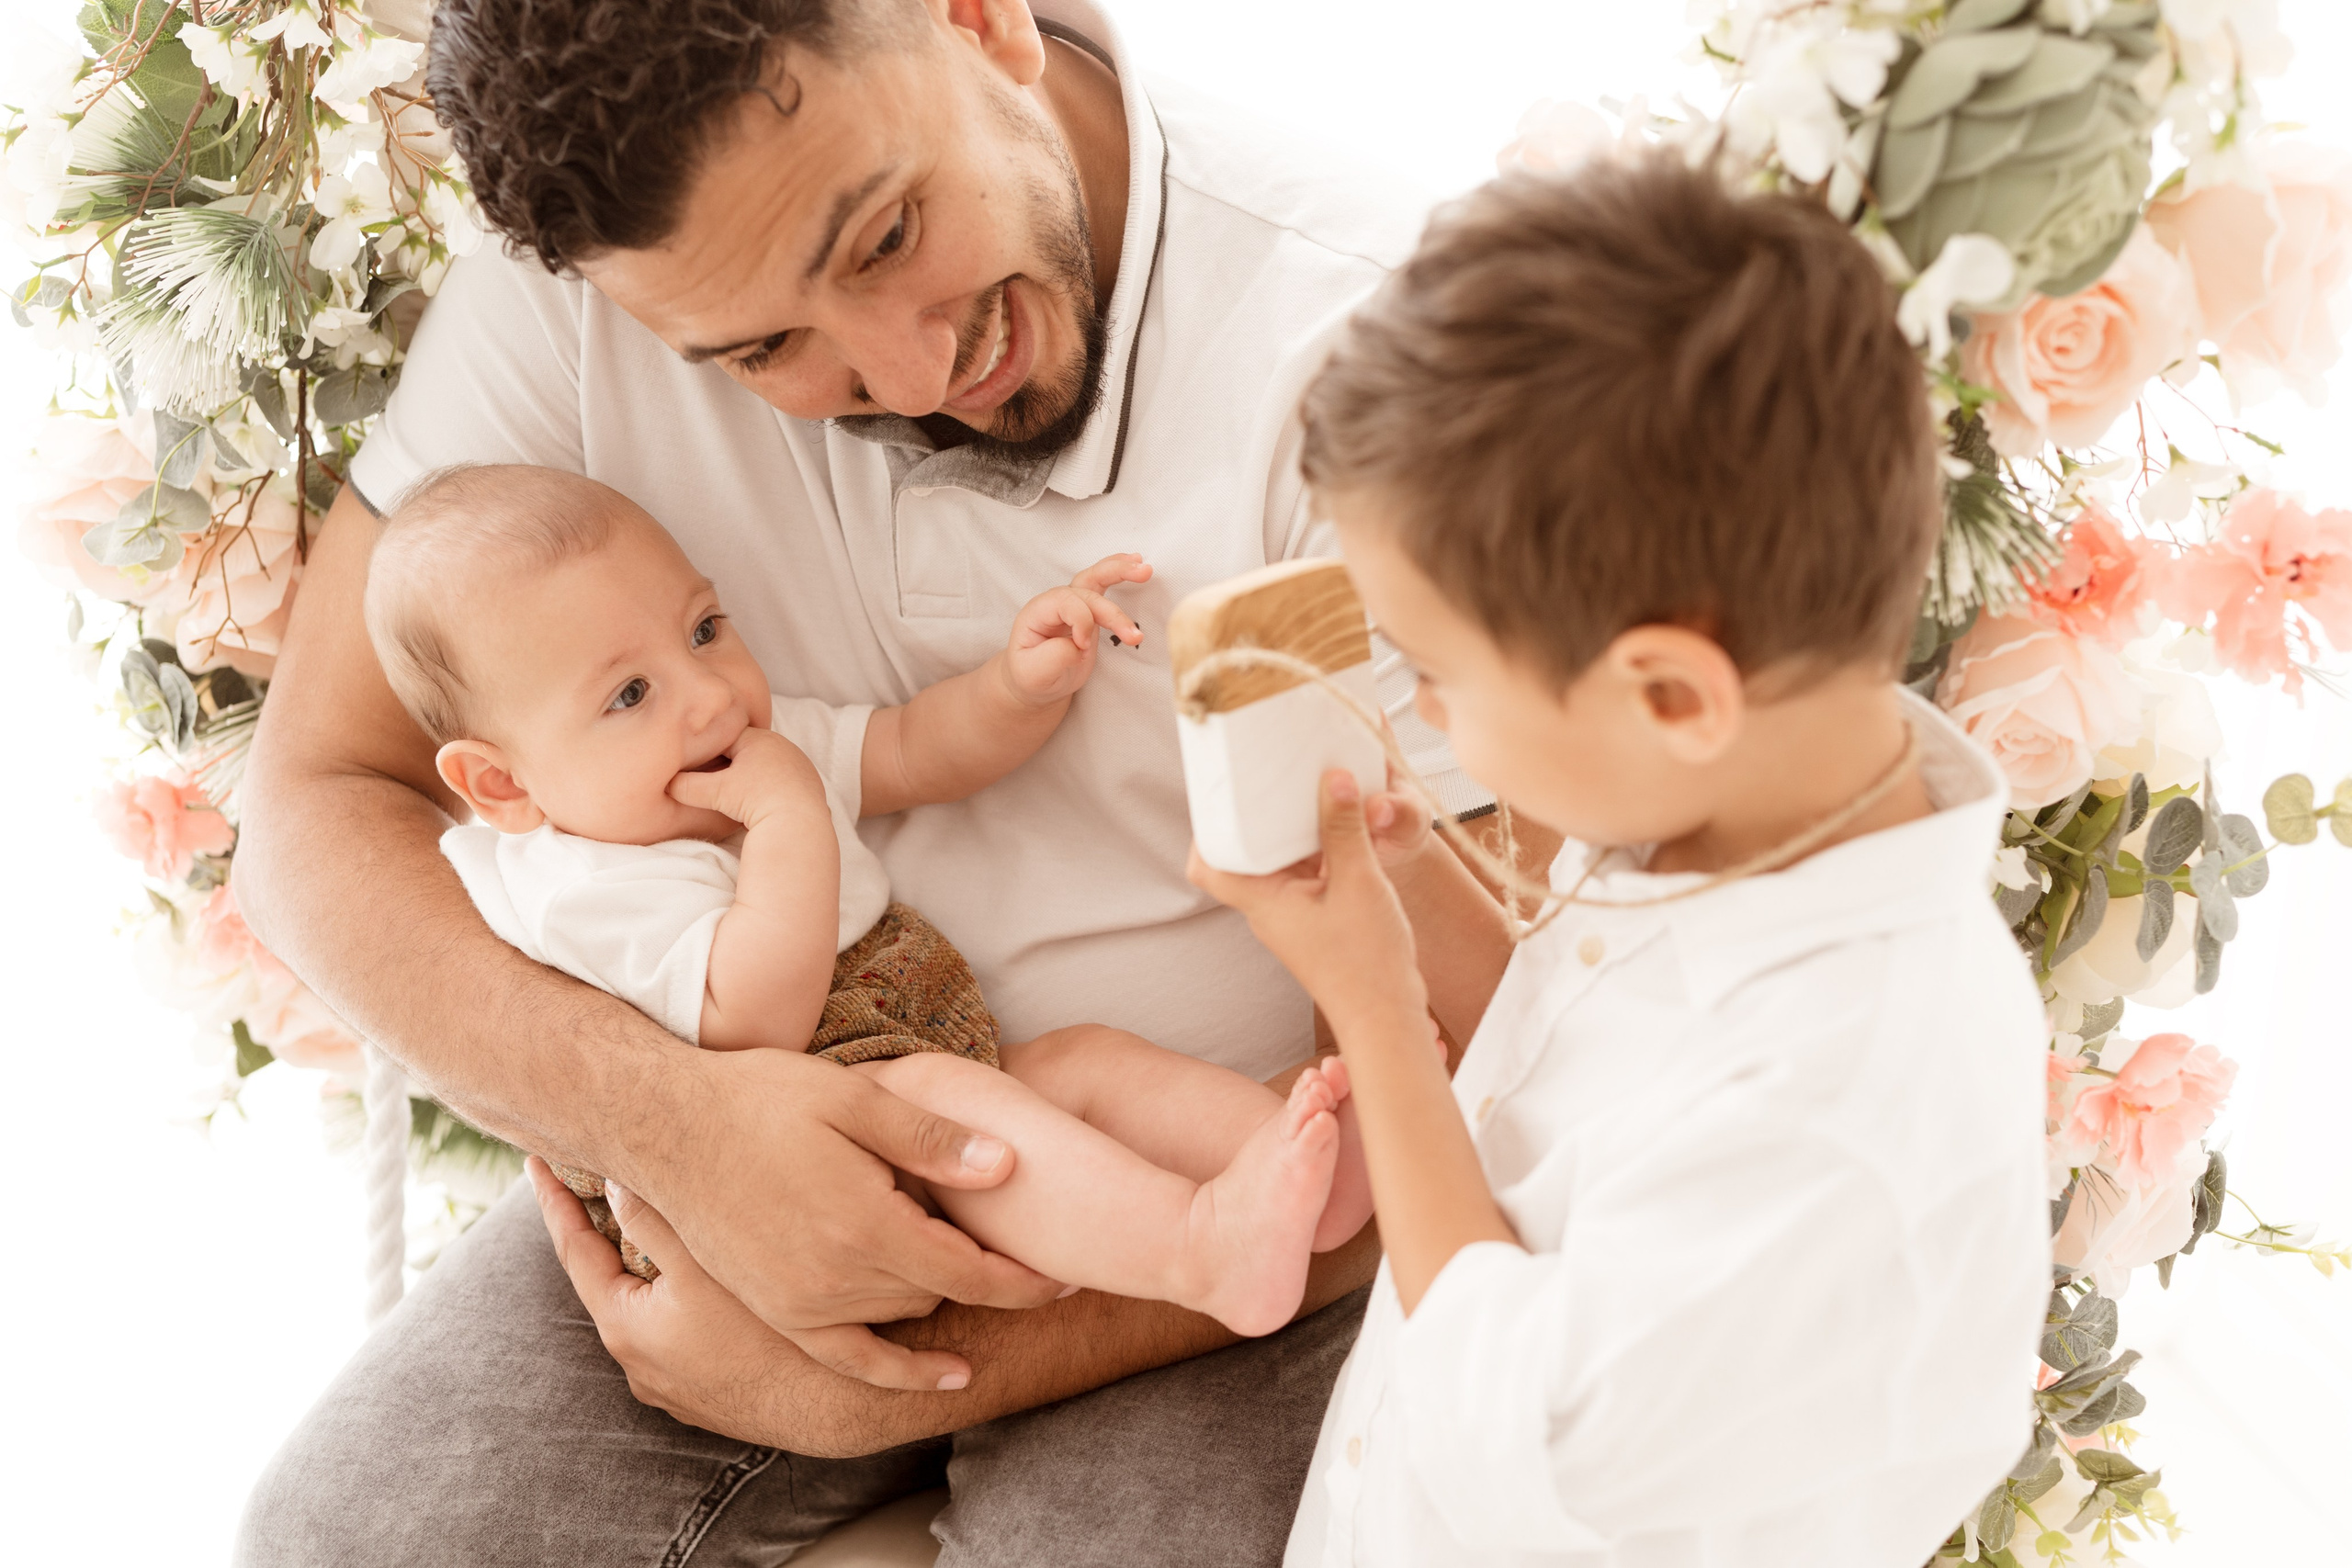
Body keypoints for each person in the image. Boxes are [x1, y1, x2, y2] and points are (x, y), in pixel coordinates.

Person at [231, 1, 1508, 1562]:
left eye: (888, 231)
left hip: (1228, 1191)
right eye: (765, 349)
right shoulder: (589, 293)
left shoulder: (1386, 347)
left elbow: (1443, 1103)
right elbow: (313, 804)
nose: (908, 368)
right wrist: (685, 1132)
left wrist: (880, 1378)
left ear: (974, 18)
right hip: (760, 1115)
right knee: (345, 1538)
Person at [1192, 158, 2052, 1563]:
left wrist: (1378, 1016)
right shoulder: (1742, 803)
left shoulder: (1834, 1100)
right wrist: (1416, 911)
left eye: (1435, 673)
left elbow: (1519, 1431)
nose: (1419, 715)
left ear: (1669, 696)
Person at [369, 465, 1372, 1346]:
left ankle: (1308, 1174)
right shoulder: (582, 888)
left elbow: (905, 750)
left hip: (923, 1049)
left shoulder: (735, 748)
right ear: (504, 786)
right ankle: (1202, 1255)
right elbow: (758, 1015)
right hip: (804, 1150)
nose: (712, 696)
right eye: (630, 696)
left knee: (1083, 1061)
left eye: (705, 630)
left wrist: (1019, 686)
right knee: (962, 1110)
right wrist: (788, 816)